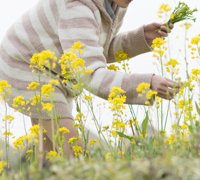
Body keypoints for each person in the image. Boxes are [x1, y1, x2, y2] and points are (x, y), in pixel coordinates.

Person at [0, 0, 180, 159]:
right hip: (25, 67)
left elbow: (97, 49)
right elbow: (92, 75)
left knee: (50, 155)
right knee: (73, 152)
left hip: (52, 70)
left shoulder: (114, 4)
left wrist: (139, 39)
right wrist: (147, 83)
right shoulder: (77, 9)